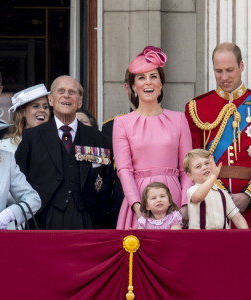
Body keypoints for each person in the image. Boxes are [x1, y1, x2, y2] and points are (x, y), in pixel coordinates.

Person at [15, 75, 113, 230]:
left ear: (80, 101)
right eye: (61, 91)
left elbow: (107, 183)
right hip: (44, 219)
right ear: (51, 100)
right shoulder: (32, 138)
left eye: (72, 92)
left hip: (88, 219)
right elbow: (19, 180)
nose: (66, 95)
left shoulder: (99, 139)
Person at [113, 46, 193, 230]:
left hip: (173, 199)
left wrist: (183, 206)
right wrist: (136, 206)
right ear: (133, 86)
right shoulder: (121, 123)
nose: (148, 82)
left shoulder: (179, 119)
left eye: (153, 76)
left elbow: (186, 169)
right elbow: (124, 169)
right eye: (141, 77)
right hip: (139, 201)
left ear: (161, 83)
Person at [184, 42, 251, 225]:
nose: (224, 77)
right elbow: (192, 159)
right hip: (212, 199)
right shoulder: (197, 108)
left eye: (230, 70)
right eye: (218, 71)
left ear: (241, 66)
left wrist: (248, 195)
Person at [101, 68, 135, 228]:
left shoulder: (170, 123)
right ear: (127, 87)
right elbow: (106, 178)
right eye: (135, 83)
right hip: (121, 205)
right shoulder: (110, 127)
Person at [183, 149, 248, 229]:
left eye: (207, 163)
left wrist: (247, 235)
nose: (204, 168)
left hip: (223, 238)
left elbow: (237, 217)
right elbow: (198, 197)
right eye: (198, 166)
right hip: (200, 239)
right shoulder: (192, 190)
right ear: (190, 176)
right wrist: (213, 176)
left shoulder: (223, 193)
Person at [0, 83, 51, 153]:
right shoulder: (6, 146)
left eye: (45, 107)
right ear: (23, 112)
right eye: (35, 106)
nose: (42, 110)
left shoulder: (55, 142)